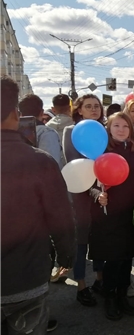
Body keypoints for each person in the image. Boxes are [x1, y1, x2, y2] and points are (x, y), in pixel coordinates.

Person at [1, 75, 76, 335]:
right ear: (15, 114)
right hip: (28, 277)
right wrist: (67, 255)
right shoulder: (40, 162)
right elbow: (60, 216)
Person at [89, 113, 134, 321]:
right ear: (109, 128)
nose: (121, 129)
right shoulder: (101, 151)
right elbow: (88, 182)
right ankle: (110, 298)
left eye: (125, 126)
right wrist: (98, 195)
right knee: (113, 260)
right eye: (116, 125)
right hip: (109, 215)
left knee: (126, 259)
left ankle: (123, 297)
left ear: (131, 129)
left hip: (132, 213)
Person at [62, 94, 106, 306]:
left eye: (97, 106)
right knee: (81, 243)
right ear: (79, 110)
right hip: (79, 194)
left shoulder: (105, 131)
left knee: (99, 239)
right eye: (88, 106)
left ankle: (100, 279)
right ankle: (81, 286)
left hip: (102, 194)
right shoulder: (71, 132)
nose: (94, 109)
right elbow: (74, 162)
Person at [18, 94, 65, 168]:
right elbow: (51, 164)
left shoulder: (12, 133)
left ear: (20, 114)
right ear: (42, 112)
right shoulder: (47, 133)